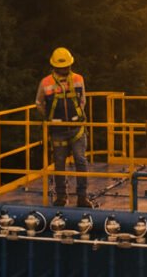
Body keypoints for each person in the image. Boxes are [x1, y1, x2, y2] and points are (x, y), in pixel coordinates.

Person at [35, 47, 93, 208]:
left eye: (67, 66)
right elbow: (39, 103)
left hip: (76, 128)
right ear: (54, 66)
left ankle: (82, 196)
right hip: (58, 130)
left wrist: (77, 117)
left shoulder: (78, 79)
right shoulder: (46, 83)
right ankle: (61, 196)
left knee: (81, 160)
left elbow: (83, 100)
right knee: (59, 163)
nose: (65, 69)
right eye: (62, 67)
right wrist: (51, 118)